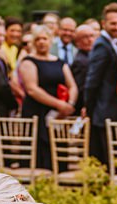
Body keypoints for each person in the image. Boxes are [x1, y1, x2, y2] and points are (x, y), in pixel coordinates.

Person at [19, 25, 78, 170]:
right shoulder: (28, 61)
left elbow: (73, 86)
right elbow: (32, 89)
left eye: (44, 39)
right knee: (39, 153)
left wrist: (69, 104)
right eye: (38, 39)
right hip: (36, 112)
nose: (41, 42)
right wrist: (59, 104)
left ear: (50, 41)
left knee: (57, 150)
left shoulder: (59, 62)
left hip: (58, 115)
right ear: (33, 42)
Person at [84, 2, 117, 167]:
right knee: (106, 161)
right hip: (104, 110)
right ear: (104, 23)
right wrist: (89, 109)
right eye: (113, 23)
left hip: (111, 109)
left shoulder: (115, 43)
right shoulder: (101, 44)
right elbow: (92, 81)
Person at [70, 23, 97, 115]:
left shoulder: (92, 56)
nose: (90, 40)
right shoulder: (80, 61)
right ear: (77, 42)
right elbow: (81, 88)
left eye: (92, 36)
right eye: (85, 37)